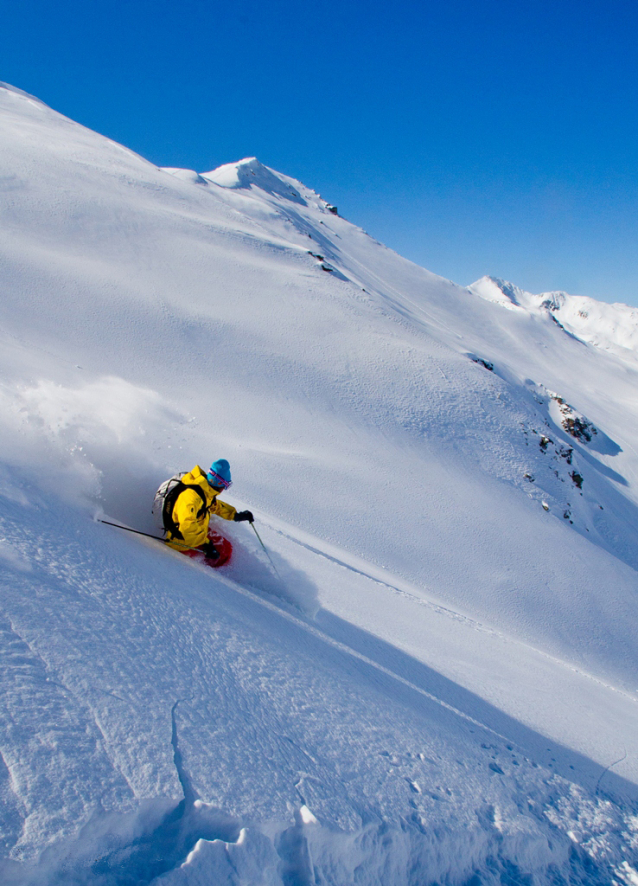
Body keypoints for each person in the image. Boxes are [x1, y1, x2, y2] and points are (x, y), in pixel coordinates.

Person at [163, 459, 253, 561]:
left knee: (225, 548)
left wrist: (235, 515)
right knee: (222, 556)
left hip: (196, 533)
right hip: (181, 542)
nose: (224, 489)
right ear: (219, 483)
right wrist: (205, 544)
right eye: (225, 485)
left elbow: (214, 505)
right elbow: (187, 526)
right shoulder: (191, 497)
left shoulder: (204, 490)